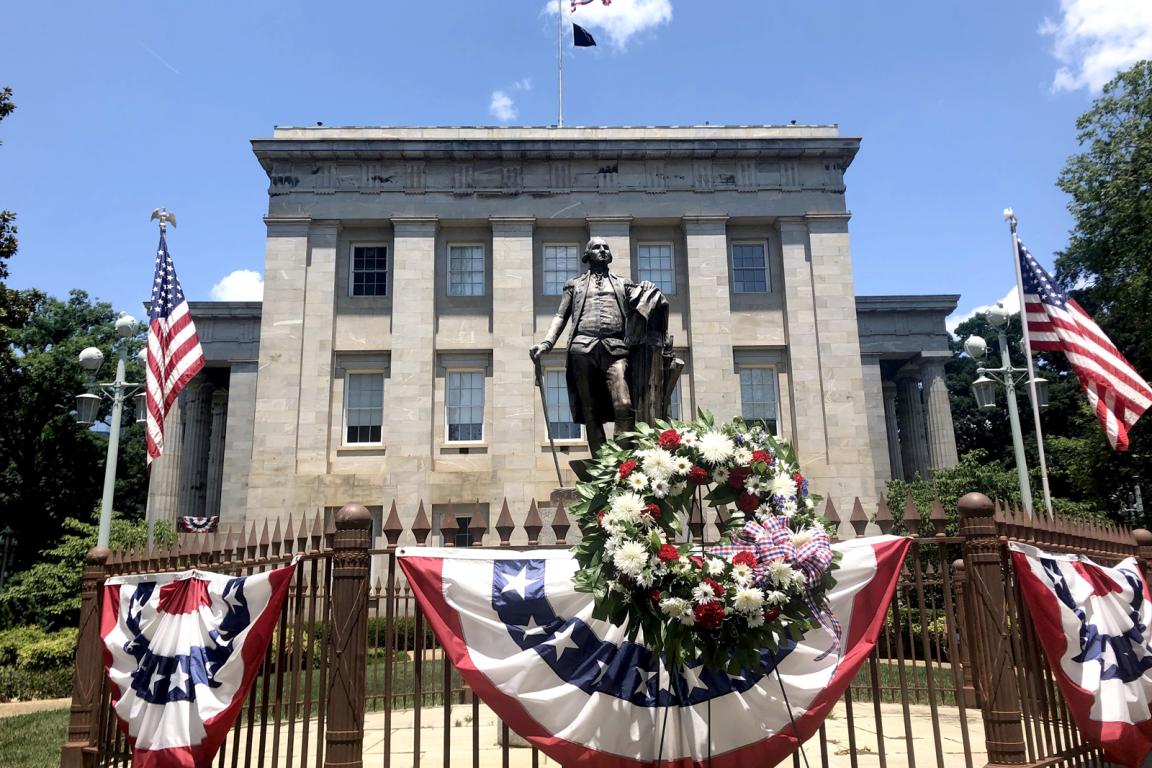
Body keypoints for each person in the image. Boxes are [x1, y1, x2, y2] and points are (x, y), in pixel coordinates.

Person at [529, 237, 658, 456]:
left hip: (615, 349)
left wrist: (647, 288)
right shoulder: (574, 285)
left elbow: (642, 303)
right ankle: (601, 465)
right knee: (591, 410)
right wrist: (547, 343)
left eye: (605, 247)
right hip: (582, 349)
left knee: (624, 404)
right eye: (597, 247)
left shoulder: (623, 283)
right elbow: (561, 316)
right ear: (587, 255)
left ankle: (620, 462)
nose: (602, 250)